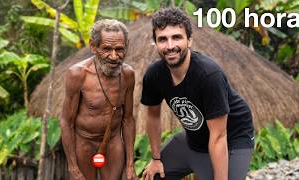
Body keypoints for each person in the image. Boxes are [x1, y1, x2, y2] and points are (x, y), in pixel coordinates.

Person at [141, 8, 255, 180]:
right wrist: (156, 158)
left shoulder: (209, 75)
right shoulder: (154, 74)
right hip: (195, 138)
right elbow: (153, 115)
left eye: (176, 37)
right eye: (163, 39)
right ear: (155, 43)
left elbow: (218, 136)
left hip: (232, 139)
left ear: (189, 40)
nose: (170, 46)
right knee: (155, 175)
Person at [60, 19, 137, 180]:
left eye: (120, 49)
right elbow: (67, 121)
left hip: (113, 141)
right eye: (107, 49)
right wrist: (73, 166)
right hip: (84, 142)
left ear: (127, 46)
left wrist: (130, 165)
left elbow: (128, 119)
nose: (114, 56)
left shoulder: (128, 75)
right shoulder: (78, 74)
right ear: (93, 46)